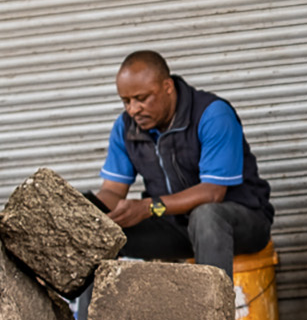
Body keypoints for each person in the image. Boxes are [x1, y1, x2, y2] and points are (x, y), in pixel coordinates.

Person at [92, 50, 274, 278]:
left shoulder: (212, 115)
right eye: (126, 101)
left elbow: (212, 193)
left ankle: (212, 313)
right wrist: (92, 213)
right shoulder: (125, 127)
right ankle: (87, 314)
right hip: (175, 228)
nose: (133, 109)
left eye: (142, 98)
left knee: (206, 216)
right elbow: (112, 190)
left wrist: (148, 207)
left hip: (239, 223)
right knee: (96, 234)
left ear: (167, 87)